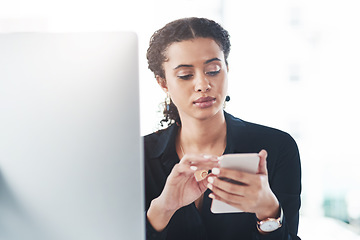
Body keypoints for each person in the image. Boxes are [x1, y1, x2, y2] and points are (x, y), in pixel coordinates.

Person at [144, 17, 301, 240]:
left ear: (226, 69)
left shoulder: (276, 147)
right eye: (185, 75)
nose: (203, 85)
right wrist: (162, 209)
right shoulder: (137, 157)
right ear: (163, 83)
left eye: (213, 70)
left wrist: (268, 211)